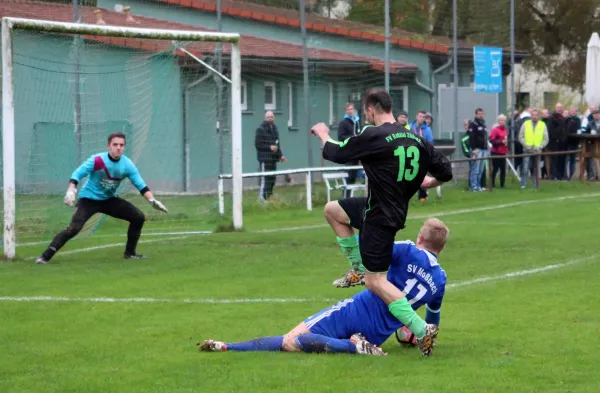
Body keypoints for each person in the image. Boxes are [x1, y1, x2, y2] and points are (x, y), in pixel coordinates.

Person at [310, 88, 453, 357]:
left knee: (377, 282)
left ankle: (422, 331)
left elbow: (337, 153)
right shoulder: (416, 139)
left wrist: (322, 133)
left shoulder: (374, 134)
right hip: (380, 207)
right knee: (333, 211)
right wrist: (429, 182)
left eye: (366, 111)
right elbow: (446, 171)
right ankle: (357, 267)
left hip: (380, 218)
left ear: (371, 109)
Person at [198, 219, 449, 357]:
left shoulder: (407, 250)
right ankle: (227, 346)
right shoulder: (440, 280)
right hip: (379, 331)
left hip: (358, 309)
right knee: (298, 341)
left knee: (292, 340)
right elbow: (433, 318)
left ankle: (354, 347)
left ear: (420, 239)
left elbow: (372, 250)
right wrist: (416, 334)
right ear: (441, 248)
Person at [35, 132, 168, 264]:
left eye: (121, 145)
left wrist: (152, 200)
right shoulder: (97, 160)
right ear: (108, 146)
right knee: (74, 229)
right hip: (89, 200)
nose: (118, 148)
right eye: (115, 144)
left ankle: (130, 254)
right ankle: (45, 257)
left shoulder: (127, 165)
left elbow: (141, 185)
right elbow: (78, 173)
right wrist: (71, 190)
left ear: (124, 147)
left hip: (109, 200)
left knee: (138, 217)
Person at [255, 111, 287, 202]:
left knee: (272, 179)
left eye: (271, 117)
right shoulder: (260, 129)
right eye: (268, 117)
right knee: (265, 179)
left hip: (273, 159)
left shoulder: (275, 129)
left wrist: (281, 155)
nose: (270, 118)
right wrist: (269, 147)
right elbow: (258, 145)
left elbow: (277, 144)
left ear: (274, 118)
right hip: (265, 159)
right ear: (265, 118)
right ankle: (262, 200)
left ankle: (269, 197)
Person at [518, 109, 549, 188]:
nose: (534, 117)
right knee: (525, 168)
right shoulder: (526, 124)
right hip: (527, 150)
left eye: (536, 115)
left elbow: (546, 139)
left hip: (537, 150)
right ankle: (523, 184)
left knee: (536, 169)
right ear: (531, 116)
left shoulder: (542, 125)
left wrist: (540, 146)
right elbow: (520, 136)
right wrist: (526, 145)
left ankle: (535, 184)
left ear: (538, 116)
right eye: (533, 115)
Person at [338, 103, 361, 197]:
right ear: (345, 111)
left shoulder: (357, 121)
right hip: (348, 152)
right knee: (349, 175)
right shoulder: (343, 123)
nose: (350, 111)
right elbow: (341, 137)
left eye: (352, 109)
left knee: (354, 175)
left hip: (356, 152)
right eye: (348, 110)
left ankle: (350, 196)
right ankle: (345, 196)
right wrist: (352, 137)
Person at [468, 108, 489, 192]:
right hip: (477, 149)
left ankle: (479, 185)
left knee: (481, 169)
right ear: (476, 114)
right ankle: (474, 186)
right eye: (479, 114)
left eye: (482, 113)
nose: (481, 115)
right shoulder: (473, 124)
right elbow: (471, 138)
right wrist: (473, 149)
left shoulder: (484, 124)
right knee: (475, 169)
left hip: (484, 149)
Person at [489, 114, 509, 188]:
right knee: (495, 169)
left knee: (503, 169)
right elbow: (491, 140)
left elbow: (507, 140)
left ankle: (502, 185)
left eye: (503, 120)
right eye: (501, 120)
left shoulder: (506, 130)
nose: (502, 121)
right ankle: (492, 184)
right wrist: (501, 142)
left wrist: (507, 144)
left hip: (503, 152)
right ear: (498, 121)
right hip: (496, 152)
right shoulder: (495, 130)